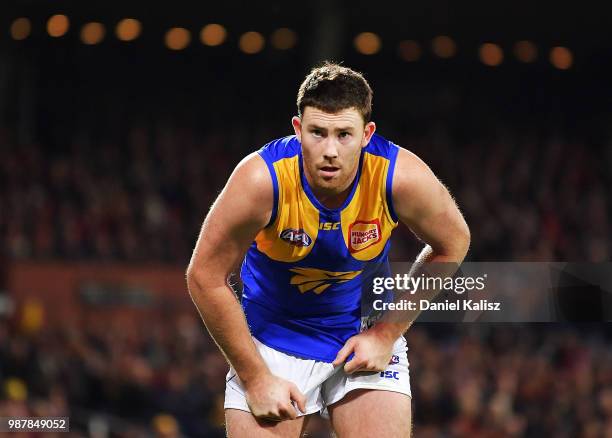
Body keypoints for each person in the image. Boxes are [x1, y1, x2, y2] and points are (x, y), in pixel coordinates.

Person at [187, 62, 470, 437]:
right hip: (272, 341)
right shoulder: (261, 180)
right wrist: (254, 377)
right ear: (297, 128)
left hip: (360, 333)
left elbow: (453, 243)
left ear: (367, 134)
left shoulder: (399, 177)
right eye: (317, 133)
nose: (330, 151)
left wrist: (385, 335)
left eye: (344, 135)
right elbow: (203, 276)